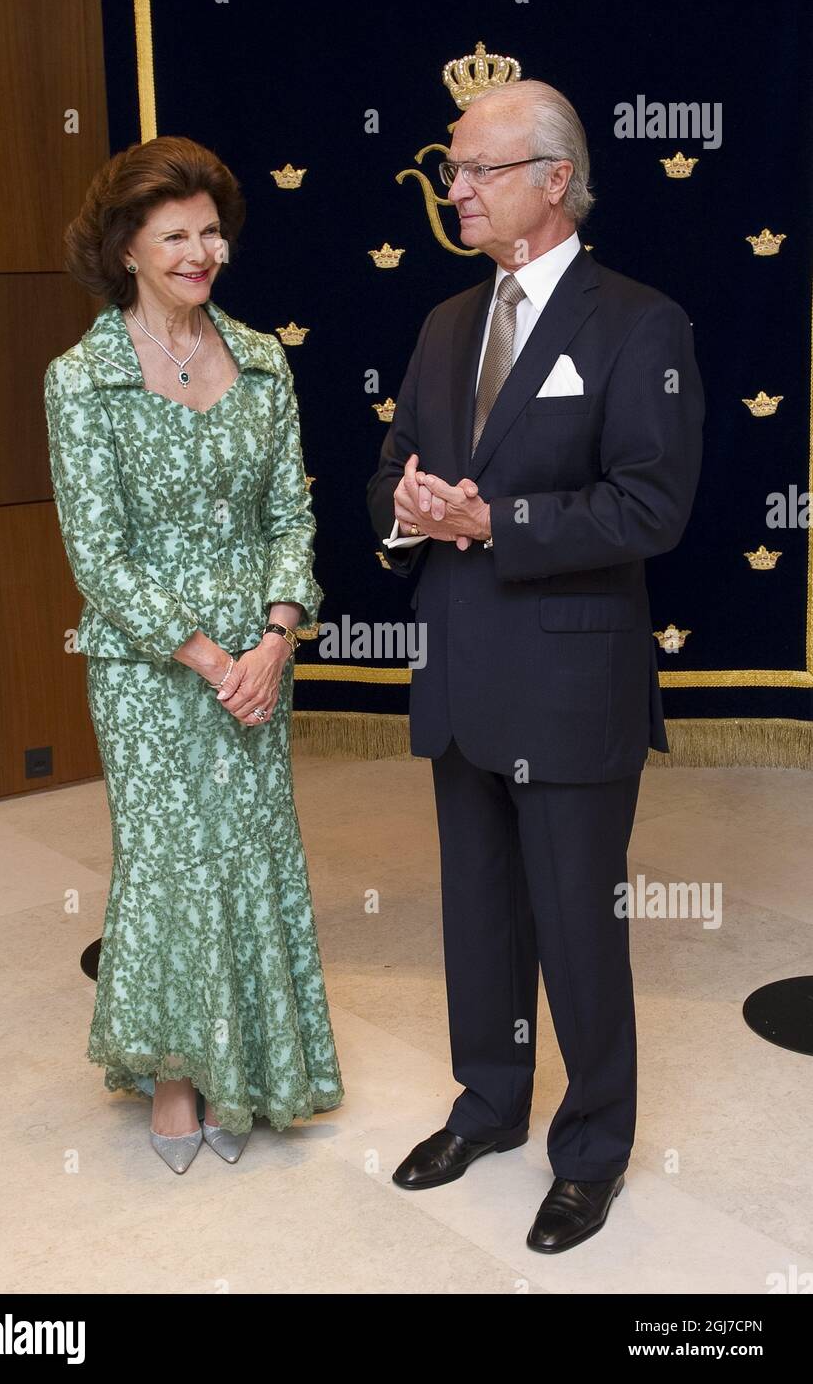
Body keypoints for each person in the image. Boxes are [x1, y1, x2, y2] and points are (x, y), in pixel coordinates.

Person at [366, 80, 703, 1251]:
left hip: (570, 687)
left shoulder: (640, 322)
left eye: (473, 169)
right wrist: (408, 508)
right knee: (480, 919)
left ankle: (593, 1148)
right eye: (451, 171)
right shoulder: (446, 323)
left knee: (577, 926)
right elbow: (395, 468)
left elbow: (652, 507)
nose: (451, 188)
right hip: (462, 676)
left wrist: (497, 525)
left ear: (552, 181)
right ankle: (491, 1105)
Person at [44, 136, 343, 1174]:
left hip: (261, 660)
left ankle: (256, 1064)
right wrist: (213, 660)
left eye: (211, 229)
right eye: (174, 233)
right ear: (126, 246)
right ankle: (175, 1071)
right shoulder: (83, 380)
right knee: (171, 858)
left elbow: (290, 514)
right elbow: (99, 555)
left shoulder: (263, 359)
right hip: (150, 665)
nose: (199, 249)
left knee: (251, 852)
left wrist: (274, 636)